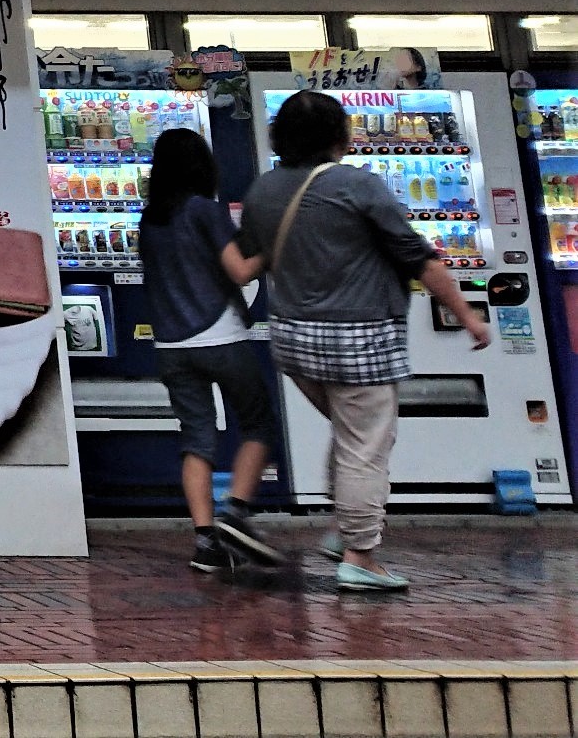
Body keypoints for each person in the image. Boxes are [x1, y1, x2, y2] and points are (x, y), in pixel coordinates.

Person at [221, 89, 490, 592]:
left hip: (294, 339)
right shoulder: (357, 184)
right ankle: (360, 557)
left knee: (351, 435)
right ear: (339, 136)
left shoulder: (262, 190)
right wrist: (468, 316)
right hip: (360, 338)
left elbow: (245, 262)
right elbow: (419, 258)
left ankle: (344, 530)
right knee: (366, 445)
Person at [137, 127, 279, 572]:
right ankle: (236, 513)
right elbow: (240, 271)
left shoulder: (149, 219)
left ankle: (205, 544)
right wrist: (274, 247)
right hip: (220, 336)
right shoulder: (204, 209)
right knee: (258, 423)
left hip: (171, 345)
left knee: (196, 438)